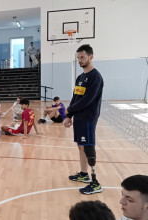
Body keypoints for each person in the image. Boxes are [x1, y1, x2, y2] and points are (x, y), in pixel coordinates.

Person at [65, 44, 104, 195]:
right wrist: (69, 115)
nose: (80, 60)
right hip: (79, 117)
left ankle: (95, 183)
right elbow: (76, 98)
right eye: (78, 58)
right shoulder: (80, 77)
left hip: (88, 117)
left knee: (87, 146)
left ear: (91, 56)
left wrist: (69, 110)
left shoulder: (95, 77)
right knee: (80, 146)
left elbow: (88, 100)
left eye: (82, 57)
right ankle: (84, 174)